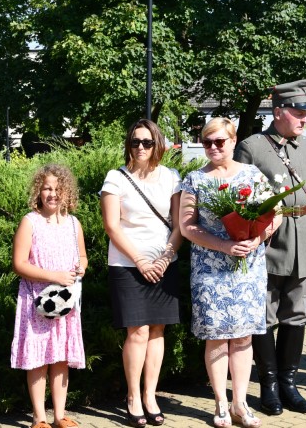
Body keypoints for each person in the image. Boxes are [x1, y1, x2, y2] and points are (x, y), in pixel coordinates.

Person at [233, 79, 306, 416]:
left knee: (296, 315)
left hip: (304, 245)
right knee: (264, 318)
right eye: (299, 112)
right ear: (278, 112)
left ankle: (290, 384)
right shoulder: (252, 147)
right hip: (267, 246)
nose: (305, 119)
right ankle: (269, 386)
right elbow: (240, 200)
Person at [180, 118, 281, 428]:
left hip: (248, 268)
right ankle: (221, 405)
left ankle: (241, 403)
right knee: (216, 338)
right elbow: (187, 226)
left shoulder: (252, 175)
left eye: (219, 141)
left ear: (233, 141)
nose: (213, 147)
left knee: (241, 338)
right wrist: (222, 246)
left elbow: (274, 216)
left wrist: (256, 238)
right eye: (207, 142)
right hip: (210, 271)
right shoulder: (194, 179)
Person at [100, 120, 183, 427]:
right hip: (127, 265)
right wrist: (140, 261)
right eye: (135, 142)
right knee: (137, 332)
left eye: (147, 142)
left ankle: (150, 395)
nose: (140, 147)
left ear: (157, 144)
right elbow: (112, 225)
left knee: (158, 331)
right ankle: (133, 396)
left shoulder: (172, 177)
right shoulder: (116, 178)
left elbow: (179, 225)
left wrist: (165, 257)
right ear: (128, 144)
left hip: (164, 264)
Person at [11, 164, 88, 428]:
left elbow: (83, 256)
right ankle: (39, 417)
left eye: (58, 189)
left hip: (66, 303)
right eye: (47, 188)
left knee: (61, 357)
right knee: (39, 358)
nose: (53, 194)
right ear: (38, 191)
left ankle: (59, 415)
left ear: (67, 193)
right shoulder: (30, 222)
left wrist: (81, 268)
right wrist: (54, 276)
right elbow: (19, 264)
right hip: (37, 302)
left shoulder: (73, 224)